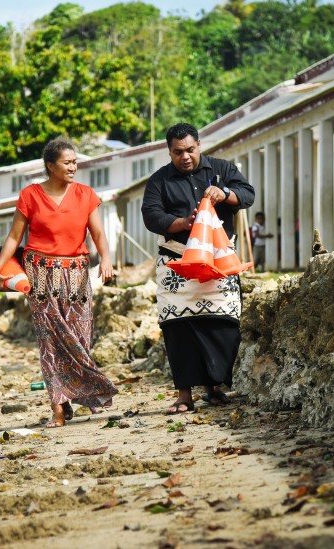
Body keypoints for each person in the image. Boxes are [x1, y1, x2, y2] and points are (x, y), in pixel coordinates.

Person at [0, 138, 118, 428]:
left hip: (77, 275)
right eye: (67, 162)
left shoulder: (86, 194)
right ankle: (58, 408)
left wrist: (107, 259)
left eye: (75, 161)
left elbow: (98, 233)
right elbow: (14, 236)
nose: (74, 166)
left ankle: (77, 394)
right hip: (39, 275)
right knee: (49, 341)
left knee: (80, 337)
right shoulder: (30, 195)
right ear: (51, 166)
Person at [141, 123, 255, 414]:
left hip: (219, 260)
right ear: (169, 151)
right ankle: (184, 395)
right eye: (178, 152)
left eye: (190, 150)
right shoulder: (159, 181)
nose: (185, 156)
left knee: (223, 321)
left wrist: (224, 193)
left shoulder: (222, 168)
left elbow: (247, 194)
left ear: (199, 145)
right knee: (179, 328)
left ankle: (214, 387)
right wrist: (183, 223)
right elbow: (152, 216)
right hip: (176, 262)